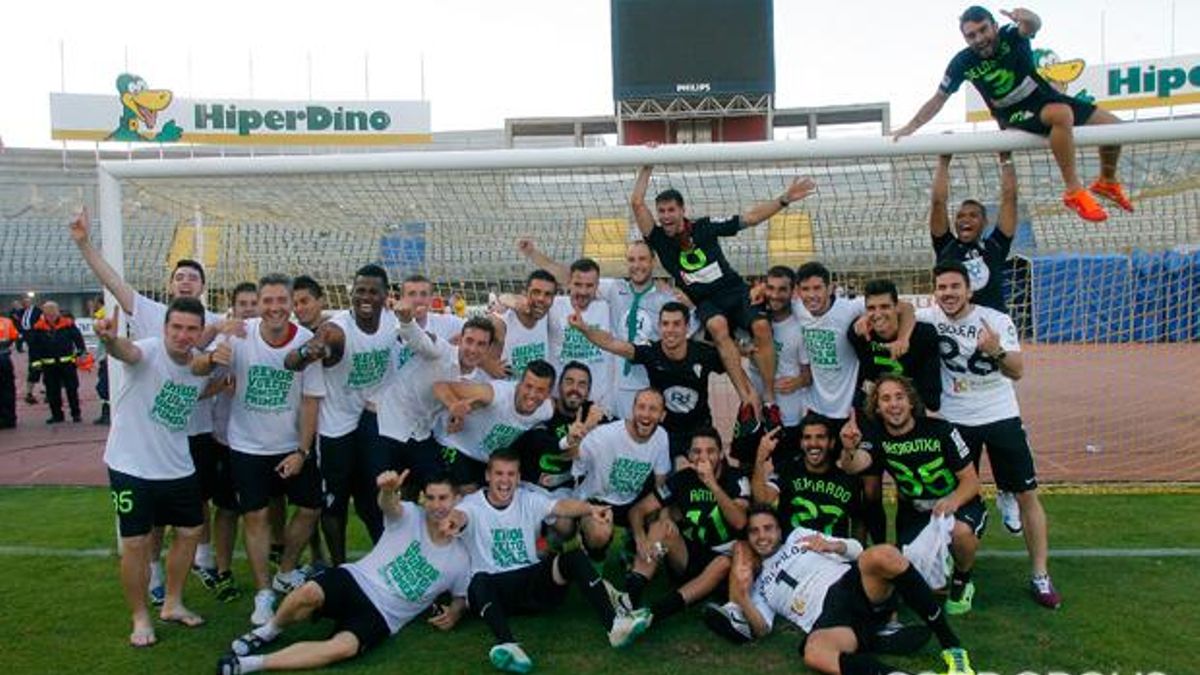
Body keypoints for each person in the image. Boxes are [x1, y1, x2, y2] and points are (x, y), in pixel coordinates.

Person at [71, 207, 226, 605]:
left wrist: (221, 366)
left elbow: (196, 375)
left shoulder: (213, 326)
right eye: (179, 276)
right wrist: (85, 244)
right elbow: (128, 348)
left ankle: (184, 583)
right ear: (170, 286)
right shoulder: (152, 324)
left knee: (193, 519)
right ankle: (151, 585)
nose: (184, 333)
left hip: (189, 439)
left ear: (204, 286)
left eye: (193, 276)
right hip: (139, 447)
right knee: (144, 531)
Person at [217, 469, 470, 674]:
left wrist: (456, 612)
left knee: (343, 648)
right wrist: (387, 490)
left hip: (384, 615)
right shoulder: (410, 515)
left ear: (457, 499)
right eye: (431, 497)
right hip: (357, 579)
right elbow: (390, 506)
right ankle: (270, 630)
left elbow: (460, 597)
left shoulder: (459, 557)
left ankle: (250, 665)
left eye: (443, 498)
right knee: (308, 593)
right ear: (423, 499)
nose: (436, 505)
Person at [893, 5, 1129, 222]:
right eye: (971, 35)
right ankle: (1074, 190)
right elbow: (938, 99)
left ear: (995, 26)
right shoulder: (962, 63)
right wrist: (911, 127)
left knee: (1116, 130)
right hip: (1013, 114)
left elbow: (1032, 25)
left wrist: (1028, 18)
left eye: (983, 30)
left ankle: (1107, 181)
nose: (979, 39)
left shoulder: (1012, 36)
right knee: (1061, 114)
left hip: (1045, 99)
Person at [918, 260, 1060, 609]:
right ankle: (949, 562)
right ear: (934, 292)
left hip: (1000, 416)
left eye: (955, 287)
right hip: (954, 420)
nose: (948, 294)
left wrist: (995, 350)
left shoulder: (995, 320)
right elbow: (897, 316)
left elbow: (1018, 371)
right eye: (942, 288)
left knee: (1027, 494)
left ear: (969, 290)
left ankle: (1040, 574)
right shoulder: (927, 319)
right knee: (949, 494)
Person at [632, 164, 817, 427]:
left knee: (762, 326)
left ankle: (770, 399)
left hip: (734, 291)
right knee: (717, 326)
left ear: (682, 210)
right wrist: (647, 166)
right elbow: (637, 203)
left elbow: (749, 218)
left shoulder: (704, 228)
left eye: (671, 210)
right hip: (707, 303)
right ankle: (747, 398)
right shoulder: (659, 239)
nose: (665, 216)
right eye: (661, 211)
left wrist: (784, 199)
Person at [193, 274, 325, 626]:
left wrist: (301, 451)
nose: (275, 308)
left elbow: (311, 401)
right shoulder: (239, 335)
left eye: (282, 300)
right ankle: (264, 592)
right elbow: (196, 372)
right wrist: (210, 357)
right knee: (255, 517)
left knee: (311, 507)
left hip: (289, 446)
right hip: (248, 447)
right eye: (268, 301)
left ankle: (284, 570)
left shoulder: (307, 342)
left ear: (292, 304)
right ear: (259, 304)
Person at [444, 451, 651, 673]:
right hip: (497, 593)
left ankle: (615, 627)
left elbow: (560, 506)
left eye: (511, 474)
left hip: (534, 585)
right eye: (499, 474)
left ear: (518, 476)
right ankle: (509, 646)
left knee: (573, 557)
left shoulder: (527, 498)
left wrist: (591, 509)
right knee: (478, 581)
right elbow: (460, 516)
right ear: (488, 476)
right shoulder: (472, 505)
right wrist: (453, 520)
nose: (505, 481)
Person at [710, 507, 975, 675]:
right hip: (828, 620)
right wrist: (743, 598)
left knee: (883, 554)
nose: (762, 536)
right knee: (813, 652)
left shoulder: (799, 536)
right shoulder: (757, 587)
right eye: (754, 531)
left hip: (850, 586)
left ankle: (952, 647)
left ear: (780, 530)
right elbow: (762, 628)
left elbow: (858, 550)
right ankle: (888, 657)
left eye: (768, 528)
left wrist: (833, 546)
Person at [95, 298, 211, 647]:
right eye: (176, 327)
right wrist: (109, 340)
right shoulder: (146, 352)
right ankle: (140, 615)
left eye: (191, 329)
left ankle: (172, 602)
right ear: (164, 329)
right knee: (135, 542)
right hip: (131, 466)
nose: (182, 335)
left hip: (176, 465)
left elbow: (196, 386)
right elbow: (125, 351)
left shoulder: (198, 366)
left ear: (200, 333)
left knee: (191, 531)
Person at [840, 374, 985, 615]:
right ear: (877, 407)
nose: (893, 404)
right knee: (913, 585)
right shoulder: (876, 436)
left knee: (961, 532)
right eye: (885, 399)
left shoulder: (940, 430)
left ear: (910, 402)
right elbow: (853, 466)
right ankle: (940, 559)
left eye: (899, 397)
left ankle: (962, 581)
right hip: (917, 513)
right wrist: (848, 449)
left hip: (957, 505)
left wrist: (952, 501)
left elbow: (971, 482)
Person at [286, 265, 397, 561]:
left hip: (373, 418)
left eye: (373, 291)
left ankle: (385, 559)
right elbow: (294, 360)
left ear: (386, 296)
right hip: (337, 427)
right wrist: (311, 351)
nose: (366, 297)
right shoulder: (337, 329)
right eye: (360, 290)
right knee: (334, 503)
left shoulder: (392, 321)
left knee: (373, 498)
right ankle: (338, 567)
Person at [571, 302, 758, 462]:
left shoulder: (703, 353)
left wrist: (750, 394)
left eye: (676, 324)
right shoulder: (651, 352)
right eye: (665, 324)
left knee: (712, 475)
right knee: (675, 476)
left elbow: (734, 365)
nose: (670, 330)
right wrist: (585, 328)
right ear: (659, 327)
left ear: (687, 327)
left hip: (700, 431)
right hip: (664, 433)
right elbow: (612, 343)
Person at [519, 239, 676, 418]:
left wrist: (687, 296)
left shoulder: (667, 298)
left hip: (647, 381)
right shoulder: (614, 289)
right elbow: (570, 278)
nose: (637, 265)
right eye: (632, 260)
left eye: (642, 259)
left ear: (653, 261)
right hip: (615, 386)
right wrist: (533, 254)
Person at [624, 427, 749, 626]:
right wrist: (640, 537)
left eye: (710, 451)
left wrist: (712, 484)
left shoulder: (736, 477)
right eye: (697, 451)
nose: (703, 457)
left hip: (724, 561)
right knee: (660, 527)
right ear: (689, 455)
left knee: (723, 563)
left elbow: (740, 521)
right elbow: (638, 510)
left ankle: (654, 615)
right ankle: (629, 599)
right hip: (690, 556)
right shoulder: (683, 479)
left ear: (721, 453)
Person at [373, 307, 494, 496]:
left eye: (481, 344)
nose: (473, 349)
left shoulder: (478, 381)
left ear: (488, 349)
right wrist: (406, 320)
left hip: (421, 433)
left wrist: (455, 419)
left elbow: (456, 408)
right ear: (460, 340)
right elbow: (419, 338)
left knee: (437, 489)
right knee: (382, 494)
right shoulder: (441, 351)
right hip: (389, 425)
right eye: (469, 341)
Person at [794, 263, 915, 430]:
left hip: (848, 408)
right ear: (798, 292)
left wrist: (902, 339)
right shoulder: (797, 310)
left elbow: (906, 308)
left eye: (817, 288)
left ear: (830, 288)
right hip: (815, 406)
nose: (811, 295)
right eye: (805, 289)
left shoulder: (850, 308)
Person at [570, 389, 671, 557]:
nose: (646, 414)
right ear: (633, 410)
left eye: (653, 409)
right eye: (641, 407)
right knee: (598, 534)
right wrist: (578, 435)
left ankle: (643, 555)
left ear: (662, 415)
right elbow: (574, 458)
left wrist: (657, 518)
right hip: (599, 498)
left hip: (631, 501)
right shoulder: (606, 435)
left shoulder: (661, 436)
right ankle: (592, 561)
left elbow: (660, 482)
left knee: (663, 526)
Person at [207, 281, 259, 603]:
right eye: (244, 303)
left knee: (267, 508)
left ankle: (274, 568)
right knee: (227, 510)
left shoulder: (278, 337)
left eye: (255, 302)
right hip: (227, 438)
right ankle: (223, 571)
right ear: (234, 308)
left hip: (266, 442)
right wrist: (219, 378)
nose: (250, 308)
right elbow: (202, 381)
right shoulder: (225, 342)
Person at [431, 360, 556, 490]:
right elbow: (440, 386)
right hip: (454, 445)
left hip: (487, 460)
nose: (532, 395)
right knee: (467, 493)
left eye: (540, 390)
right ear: (519, 384)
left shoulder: (547, 410)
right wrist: (453, 406)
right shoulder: (496, 394)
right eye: (528, 386)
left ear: (548, 394)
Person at [930, 153, 1019, 314]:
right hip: (955, 324)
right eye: (960, 216)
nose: (966, 220)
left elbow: (1010, 199)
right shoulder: (945, 245)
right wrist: (943, 161)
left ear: (984, 222)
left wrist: (1006, 158)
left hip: (991, 325)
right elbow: (938, 202)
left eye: (973, 216)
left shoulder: (995, 245)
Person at [752, 417, 862, 540]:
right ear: (801, 443)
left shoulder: (847, 479)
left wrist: (856, 553)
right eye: (807, 437)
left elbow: (858, 522)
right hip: (793, 554)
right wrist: (760, 459)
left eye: (820, 437)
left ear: (831, 443)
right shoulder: (787, 470)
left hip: (833, 555)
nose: (813, 443)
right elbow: (763, 500)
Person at [510, 361, 609, 496]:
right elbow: (544, 444)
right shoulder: (544, 409)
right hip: (529, 489)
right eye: (569, 381)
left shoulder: (593, 415)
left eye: (582, 384)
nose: (575, 388)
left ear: (588, 392)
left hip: (565, 494)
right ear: (559, 387)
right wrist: (583, 430)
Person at [749, 266, 812, 448]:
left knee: (785, 467)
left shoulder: (800, 328)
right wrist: (742, 348)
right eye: (770, 288)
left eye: (782, 289)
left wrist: (800, 381)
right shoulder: (753, 319)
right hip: (757, 408)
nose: (775, 295)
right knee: (750, 466)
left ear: (793, 292)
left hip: (788, 414)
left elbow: (808, 376)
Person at [542, 258, 617, 409]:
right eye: (577, 284)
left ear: (598, 286)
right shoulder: (553, 306)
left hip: (598, 404)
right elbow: (522, 306)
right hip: (560, 402)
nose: (583, 291)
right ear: (569, 282)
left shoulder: (608, 306)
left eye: (589, 286)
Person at [491, 270, 557, 380]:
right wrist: (487, 364)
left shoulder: (550, 318)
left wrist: (504, 298)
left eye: (548, 294)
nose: (541, 298)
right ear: (525, 293)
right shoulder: (502, 322)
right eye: (536, 292)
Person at [29, 301, 85, 424]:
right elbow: (33, 347)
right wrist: (35, 363)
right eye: (48, 312)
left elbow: (78, 340)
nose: (51, 315)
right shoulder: (38, 327)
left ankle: (76, 414)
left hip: (67, 363)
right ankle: (57, 415)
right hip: (48, 365)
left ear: (57, 311)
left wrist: (81, 352)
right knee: (52, 392)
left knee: (72, 389)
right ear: (44, 313)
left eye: (53, 312)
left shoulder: (68, 324)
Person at [15, 296, 41, 403]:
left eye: (27, 302)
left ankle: (48, 392)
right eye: (23, 302)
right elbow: (17, 322)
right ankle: (29, 392)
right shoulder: (20, 312)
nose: (25, 304)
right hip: (28, 338)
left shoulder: (38, 311)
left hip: (38, 338)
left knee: (43, 368)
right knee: (33, 366)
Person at [0, 311, 18, 428]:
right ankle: (9, 418)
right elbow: (14, 336)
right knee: (8, 388)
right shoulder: (7, 321)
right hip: (4, 358)